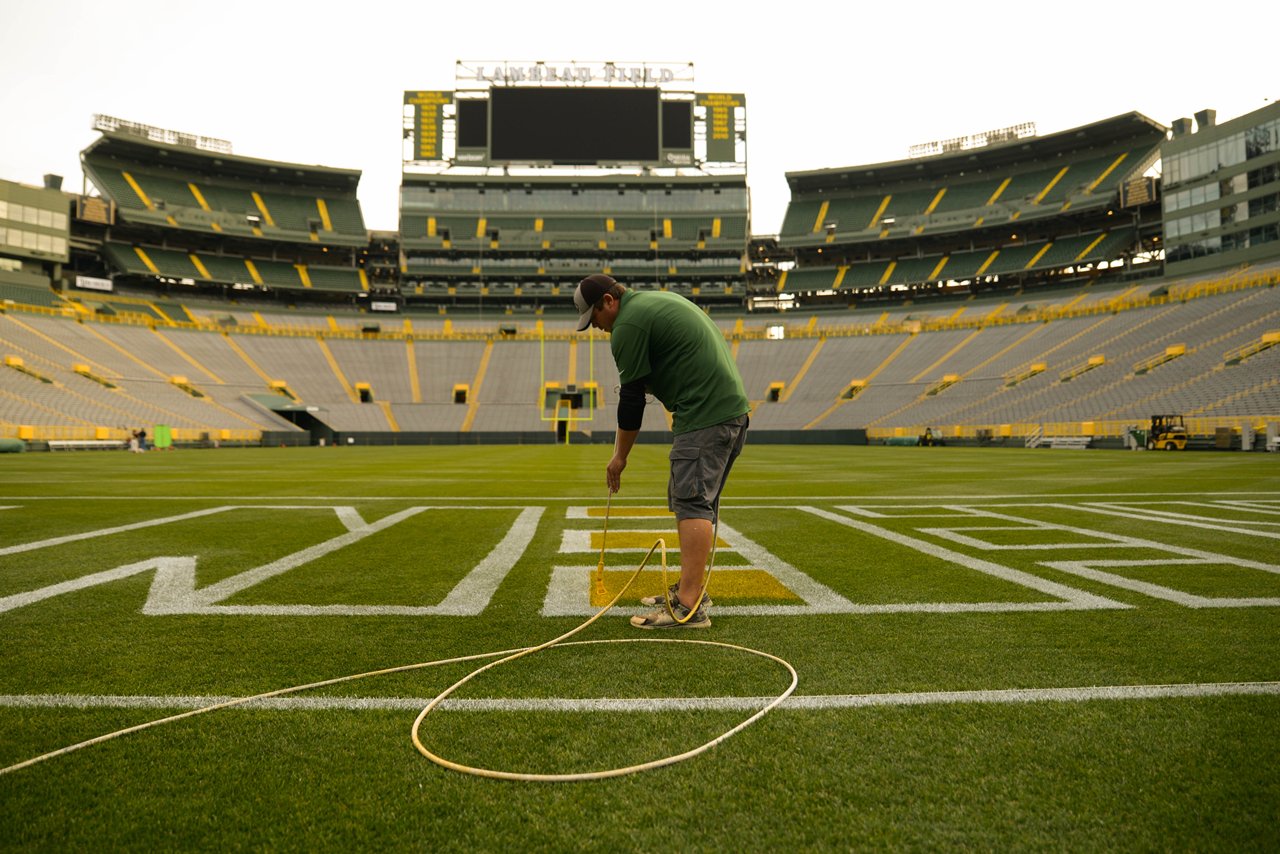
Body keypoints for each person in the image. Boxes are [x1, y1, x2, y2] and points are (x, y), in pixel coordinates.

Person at [574, 273, 749, 629]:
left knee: (691, 504)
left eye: (593, 318)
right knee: (695, 502)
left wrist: (619, 458)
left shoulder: (628, 324)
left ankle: (689, 606)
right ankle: (692, 587)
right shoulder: (652, 302)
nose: (596, 327)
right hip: (727, 412)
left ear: (609, 301)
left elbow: (632, 401)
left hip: (705, 415)